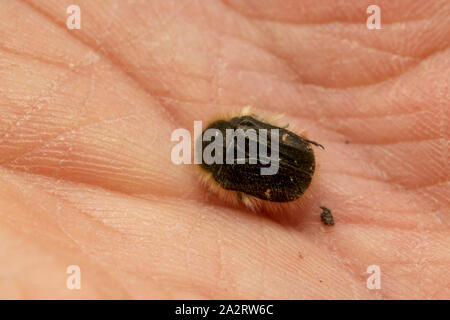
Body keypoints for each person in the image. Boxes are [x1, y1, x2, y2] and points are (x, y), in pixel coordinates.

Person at [0, 0, 448, 299]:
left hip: (288, 179)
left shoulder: (226, 172)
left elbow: (247, 185)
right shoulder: (235, 150)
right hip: (290, 176)